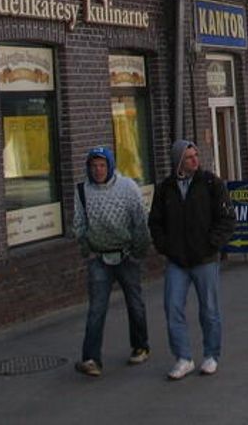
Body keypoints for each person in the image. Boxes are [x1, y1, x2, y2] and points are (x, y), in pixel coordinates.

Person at [149, 140, 236, 380]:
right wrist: (165, 246)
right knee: (172, 307)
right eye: (189, 157)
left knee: (209, 309)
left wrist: (212, 243)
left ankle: (211, 355)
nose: (195, 160)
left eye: (196, 155)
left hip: (205, 258)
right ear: (178, 161)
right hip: (177, 260)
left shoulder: (210, 184)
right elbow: (155, 221)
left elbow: (227, 218)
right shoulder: (165, 188)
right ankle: (183, 357)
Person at [72, 146, 152, 378]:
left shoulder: (128, 188)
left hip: (126, 254)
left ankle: (140, 346)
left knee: (135, 303)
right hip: (99, 256)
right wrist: (85, 248)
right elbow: (79, 222)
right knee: (96, 309)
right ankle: (91, 358)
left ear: (110, 165)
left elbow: (140, 220)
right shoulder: (82, 190)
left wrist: (139, 251)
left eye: (102, 165)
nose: (98, 170)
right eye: (94, 166)